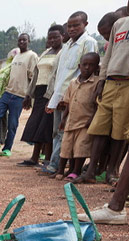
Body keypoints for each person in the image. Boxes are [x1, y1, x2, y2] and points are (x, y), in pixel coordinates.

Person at [72, 4, 128, 187]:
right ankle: (90, 172)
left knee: (120, 131)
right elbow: (109, 53)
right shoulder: (119, 25)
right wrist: (102, 81)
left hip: (128, 84)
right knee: (99, 128)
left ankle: (112, 171)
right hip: (111, 81)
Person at [39, 11, 98, 176]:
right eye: (69, 26)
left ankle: (60, 166)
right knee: (58, 130)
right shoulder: (66, 47)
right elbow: (61, 74)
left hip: (76, 95)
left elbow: (88, 69)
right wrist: (54, 97)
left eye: (76, 25)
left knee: (69, 131)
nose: (71, 29)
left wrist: (73, 95)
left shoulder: (89, 42)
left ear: (85, 24)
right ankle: (56, 164)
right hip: (60, 95)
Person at [0, 33, 38, 157]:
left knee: (13, 124)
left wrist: (29, 96)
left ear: (29, 41)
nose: (22, 42)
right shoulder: (16, 56)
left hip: (20, 95)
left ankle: (7, 148)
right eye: (20, 40)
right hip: (8, 92)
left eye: (24, 40)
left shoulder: (32, 56)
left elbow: (33, 76)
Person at [17, 25, 63, 167]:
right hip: (39, 91)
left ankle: (48, 159)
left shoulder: (63, 52)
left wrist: (54, 95)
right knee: (36, 124)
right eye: (50, 37)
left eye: (56, 37)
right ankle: (34, 158)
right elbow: (36, 74)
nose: (53, 40)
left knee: (47, 126)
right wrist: (28, 95)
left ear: (63, 36)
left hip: (52, 92)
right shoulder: (45, 53)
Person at [54, 53, 101, 179]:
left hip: (85, 122)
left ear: (97, 68)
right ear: (79, 66)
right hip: (70, 121)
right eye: (84, 65)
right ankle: (60, 170)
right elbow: (68, 103)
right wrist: (63, 119)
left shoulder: (96, 83)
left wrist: (92, 120)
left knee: (81, 147)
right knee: (66, 147)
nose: (87, 68)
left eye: (91, 65)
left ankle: (76, 171)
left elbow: (97, 104)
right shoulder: (73, 82)